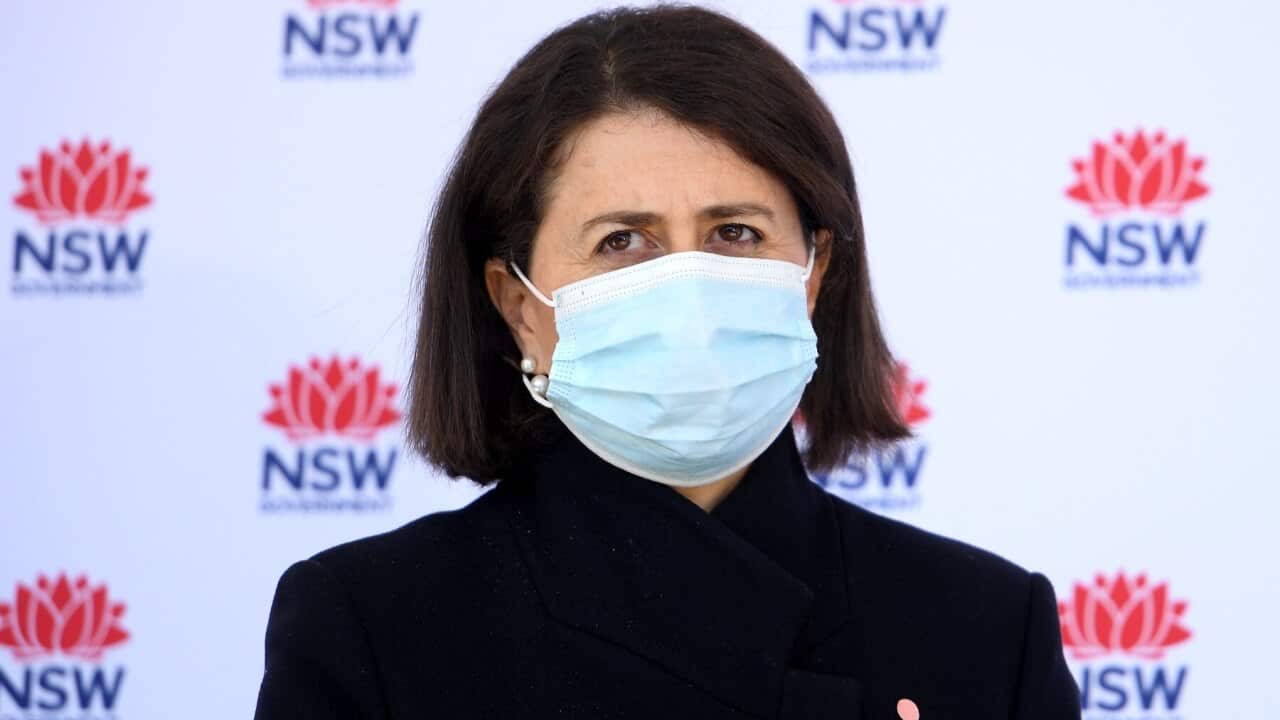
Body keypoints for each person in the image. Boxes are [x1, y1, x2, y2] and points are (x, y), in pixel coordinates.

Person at [253, 4, 1082, 718]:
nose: (686, 285)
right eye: (623, 241)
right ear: (519, 306)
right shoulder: (376, 624)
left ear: (813, 274)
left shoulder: (984, 626)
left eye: (736, 234)